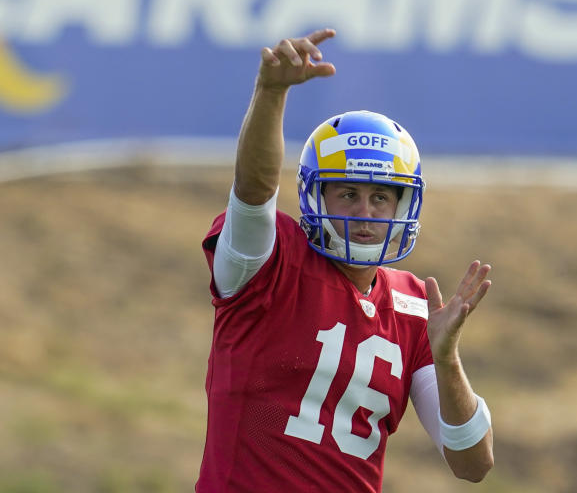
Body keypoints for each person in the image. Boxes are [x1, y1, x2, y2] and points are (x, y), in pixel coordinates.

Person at [195, 28, 494, 492]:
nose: (366, 213)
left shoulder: (415, 306)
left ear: (404, 206)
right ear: (317, 195)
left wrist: (447, 358)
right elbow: (253, 192)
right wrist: (271, 93)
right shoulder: (271, 261)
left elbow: (473, 462)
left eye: (381, 197)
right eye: (349, 193)